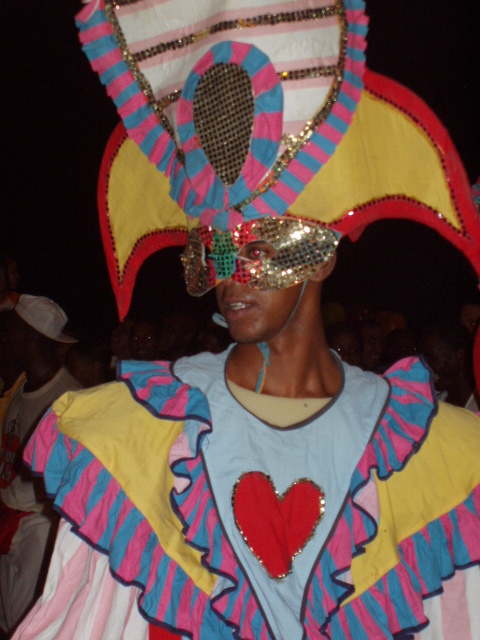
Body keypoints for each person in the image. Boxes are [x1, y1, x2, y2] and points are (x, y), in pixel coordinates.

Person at [12, 2, 480, 638]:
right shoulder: (133, 442)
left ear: (319, 258)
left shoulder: (436, 457)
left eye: (255, 249)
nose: (229, 281)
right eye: (213, 255)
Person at [0, 295, 82, 636]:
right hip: (11, 526)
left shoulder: (69, 400)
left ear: (28, 336)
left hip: (42, 531)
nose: (2, 338)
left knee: (29, 629)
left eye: (9, 331)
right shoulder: (21, 391)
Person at [419, 322, 478, 412]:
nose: (424, 366)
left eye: (431, 358)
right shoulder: (431, 404)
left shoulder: (476, 406)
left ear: (459, 356)